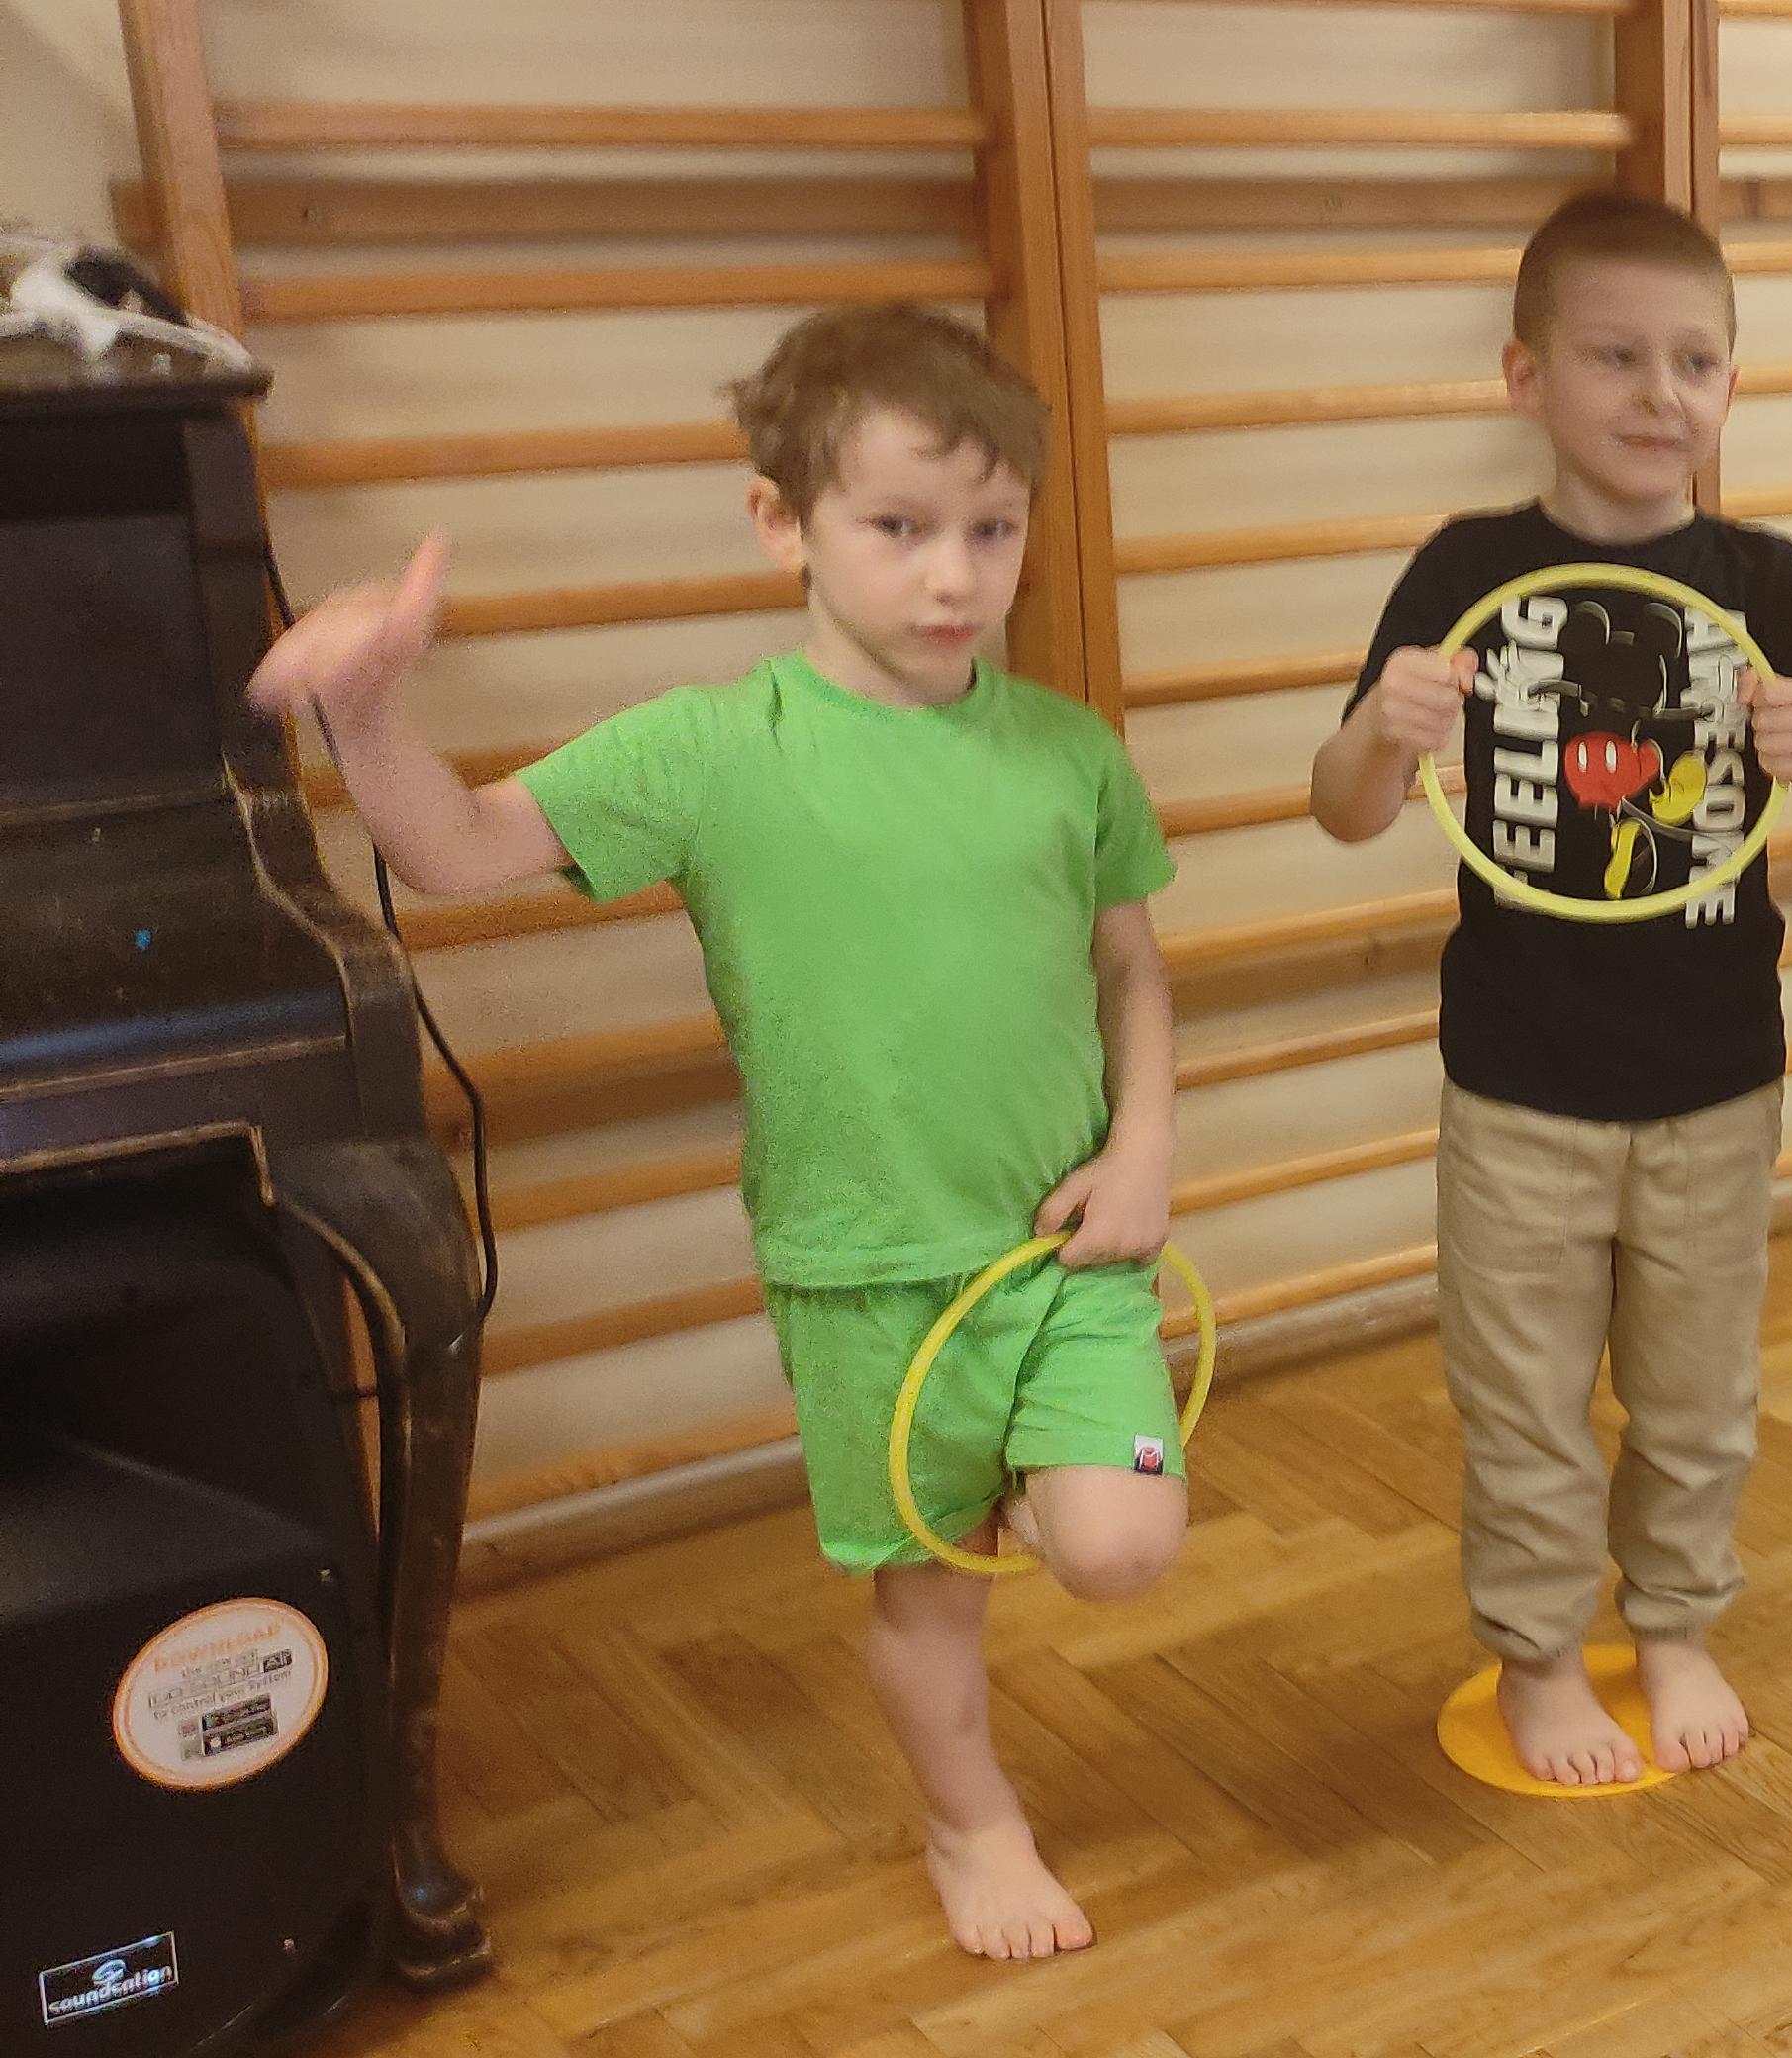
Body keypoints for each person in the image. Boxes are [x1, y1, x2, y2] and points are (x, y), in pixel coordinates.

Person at [251, 306, 1180, 1961]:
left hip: (1064, 1246)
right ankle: (972, 1824)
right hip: (862, 1274)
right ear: (781, 522)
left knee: (1122, 1547)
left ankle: (1055, 1483)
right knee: (926, 1598)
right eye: (899, 526)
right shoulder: (707, 750)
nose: (954, 574)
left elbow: (1129, 964)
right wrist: (371, 716)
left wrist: (1147, 1149)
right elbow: (455, 850)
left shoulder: (1070, 754)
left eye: (992, 529)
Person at [1309, 192, 1792, 1786]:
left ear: (1732, 387)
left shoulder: (1771, 586)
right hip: (1519, 1082)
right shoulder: (1466, 570)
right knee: (1521, 1400)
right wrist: (1383, 731)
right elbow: (1346, 807)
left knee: (1698, 1396)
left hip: (1716, 1079)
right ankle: (1540, 1656)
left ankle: (1678, 1623)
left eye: (1695, 362)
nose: (1660, 394)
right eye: (1615, 357)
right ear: (1526, 377)